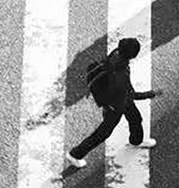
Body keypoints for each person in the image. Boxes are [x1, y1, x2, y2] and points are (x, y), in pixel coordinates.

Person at [66, 37, 160, 167]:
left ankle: (136, 141)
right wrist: (151, 94)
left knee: (135, 118)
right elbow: (131, 95)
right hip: (116, 104)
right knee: (103, 133)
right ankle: (75, 154)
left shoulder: (116, 53)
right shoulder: (120, 73)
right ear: (132, 55)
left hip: (119, 98)